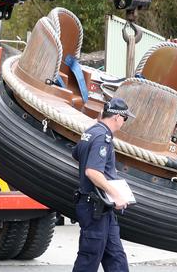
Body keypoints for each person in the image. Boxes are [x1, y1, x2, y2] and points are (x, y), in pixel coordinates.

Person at [72, 97, 135, 272]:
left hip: (102, 208)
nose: (124, 122)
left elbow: (77, 154)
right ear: (116, 117)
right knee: (89, 258)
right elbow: (91, 171)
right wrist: (115, 194)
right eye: (125, 118)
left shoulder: (91, 131)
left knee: (116, 256)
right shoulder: (103, 137)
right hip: (95, 208)